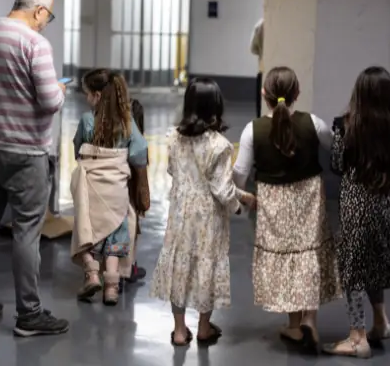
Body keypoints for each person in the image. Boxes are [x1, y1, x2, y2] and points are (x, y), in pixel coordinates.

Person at [0, 0, 69, 337]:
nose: (46, 22)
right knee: (27, 232)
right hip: (26, 154)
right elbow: (49, 102)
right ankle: (29, 314)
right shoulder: (36, 44)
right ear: (39, 10)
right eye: (47, 16)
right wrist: (60, 90)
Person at [232, 66, 340, 352]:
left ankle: (294, 325)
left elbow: (240, 174)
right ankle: (311, 322)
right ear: (297, 93)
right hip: (308, 201)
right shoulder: (313, 123)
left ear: (264, 94)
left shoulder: (252, 130)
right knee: (309, 254)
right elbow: (335, 152)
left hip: (273, 205)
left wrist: (243, 201)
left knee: (286, 259)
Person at [150, 78, 255, 346]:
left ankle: (179, 330)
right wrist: (239, 206)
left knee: (180, 265)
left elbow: (174, 172)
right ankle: (205, 327)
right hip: (208, 216)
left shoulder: (173, 137)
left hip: (180, 212)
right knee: (206, 265)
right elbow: (221, 189)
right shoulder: (220, 145)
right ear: (216, 107)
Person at [322, 67, 390, 359]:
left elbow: (337, 164)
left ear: (358, 93)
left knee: (352, 270)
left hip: (356, 204)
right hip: (386, 202)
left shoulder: (346, 125)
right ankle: (381, 321)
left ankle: (357, 337)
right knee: (374, 262)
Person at [70, 69, 149, 306]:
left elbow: (77, 148)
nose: (86, 99)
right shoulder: (127, 123)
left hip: (91, 188)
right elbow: (139, 152)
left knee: (85, 232)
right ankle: (111, 289)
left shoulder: (86, 120)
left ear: (96, 96)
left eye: (86, 94)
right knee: (116, 236)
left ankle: (92, 272)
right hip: (116, 191)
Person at [121, 98, 150, 292]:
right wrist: (143, 203)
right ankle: (128, 269)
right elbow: (141, 184)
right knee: (132, 232)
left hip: (111, 195)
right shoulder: (139, 146)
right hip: (130, 198)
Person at [250, 19, 264, 118]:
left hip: (263, 70)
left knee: (261, 107)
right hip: (283, 73)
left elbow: (253, 49)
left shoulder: (260, 25)